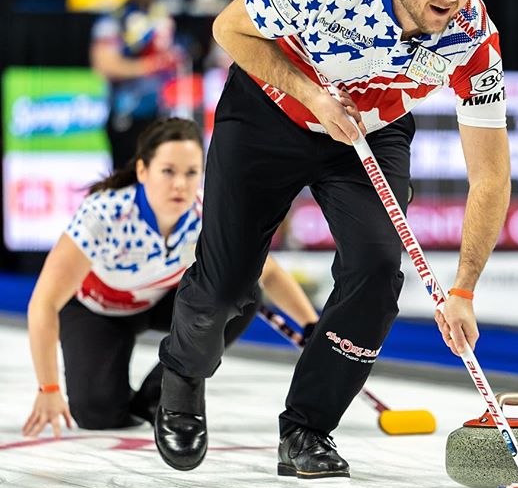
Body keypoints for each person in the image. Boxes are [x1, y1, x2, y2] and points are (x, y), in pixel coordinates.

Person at [154, 0, 511, 478]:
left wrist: (465, 288)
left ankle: (307, 428)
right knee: (226, 284)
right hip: (272, 109)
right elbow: (229, 30)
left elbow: (492, 174)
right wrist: (313, 95)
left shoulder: (472, 38)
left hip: (372, 130)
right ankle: (183, 376)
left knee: (376, 268)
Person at [22, 118, 318, 439]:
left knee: (242, 290)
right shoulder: (104, 214)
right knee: (99, 413)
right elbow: (44, 303)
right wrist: (48, 387)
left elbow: (269, 273)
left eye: (191, 172)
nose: (180, 184)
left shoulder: (206, 213)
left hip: (161, 302)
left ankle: (161, 392)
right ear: (142, 171)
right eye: (168, 171)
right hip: (97, 311)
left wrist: (312, 327)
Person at [90, 0, 184, 168]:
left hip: (161, 117)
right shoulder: (114, 18)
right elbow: (104, 64)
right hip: (126, 117)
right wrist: (151, 65)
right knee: (127, 185)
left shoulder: (163, 16)